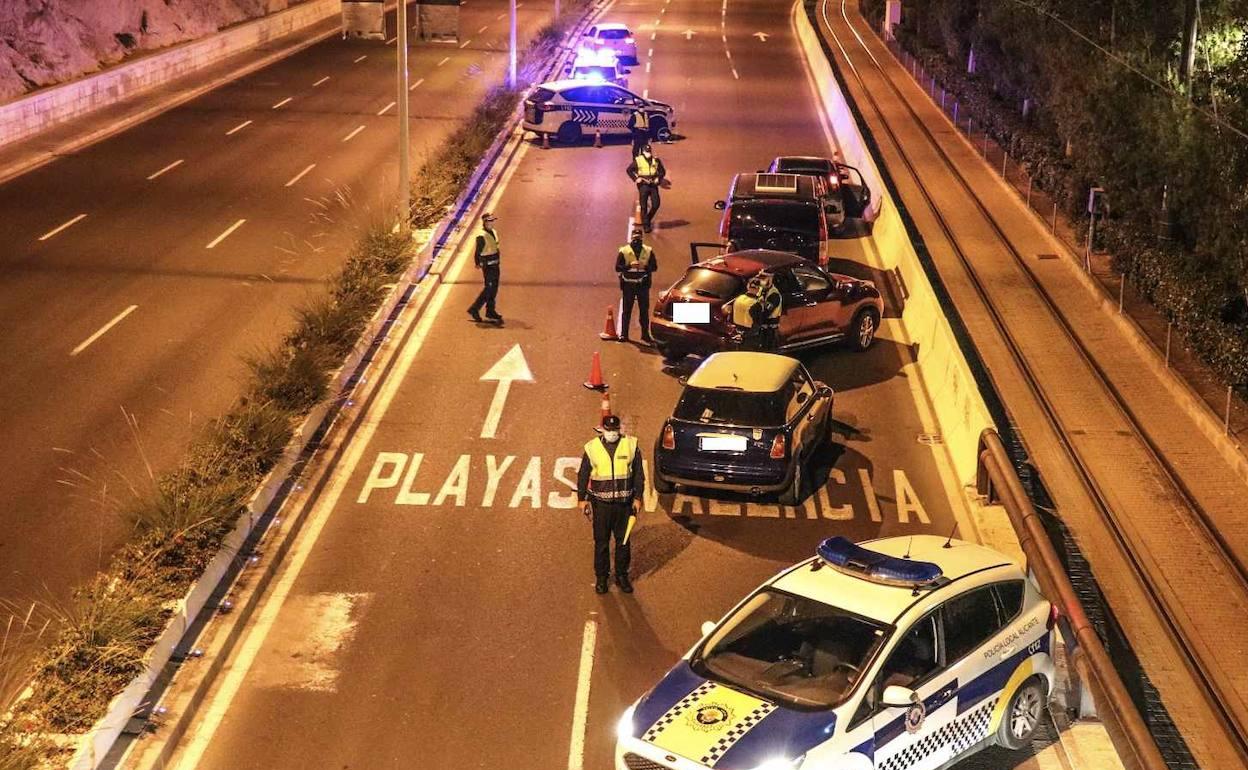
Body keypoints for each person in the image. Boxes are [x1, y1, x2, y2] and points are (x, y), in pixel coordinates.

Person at [576, 415, 644, 594]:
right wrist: (582, 499)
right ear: (602, 429)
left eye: (615, 430)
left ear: (619, 429)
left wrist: (638, 497)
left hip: (624, 504)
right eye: (609, 430)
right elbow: (583, 474)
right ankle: (602, 578)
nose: (612, 433)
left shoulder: (631, 445)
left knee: (623, 542)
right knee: (601, 543)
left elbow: (638, 474)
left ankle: (622, 576)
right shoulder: (592, 448)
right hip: (601, 505)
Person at [615, 228, 657, 343]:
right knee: (627, 310)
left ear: (642, 239)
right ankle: (624, 334)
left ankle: (645, 334)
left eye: (638, 239)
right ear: (631, 239)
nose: (636, 241)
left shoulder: (648, 251)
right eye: (635, 239)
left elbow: (654, 267)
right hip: (628, 285)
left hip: (643, 285)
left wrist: (645, 267)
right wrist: (629, 266)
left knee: (644, 311)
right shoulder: (624, 251)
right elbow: (617, 267)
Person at [467, 212, 503, 324]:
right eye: (490, 221)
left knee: (494, 289)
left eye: (493, 220)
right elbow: (478, 251)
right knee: (489, 288)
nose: (492, 223)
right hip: (488, 266)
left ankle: (490, 311)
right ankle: (475, 309)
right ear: (485, 222)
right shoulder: (481, 236)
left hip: (495, 264)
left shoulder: (494, 232)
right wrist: (477, 262)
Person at [626, 144, 667, 233]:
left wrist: (658, 178)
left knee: (656, 204)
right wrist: (636, 178)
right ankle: (646, 226)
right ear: (643, 152)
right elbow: (629, 170)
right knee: (643, 206)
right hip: (643, 185)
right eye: (646, 152)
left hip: (653, 185)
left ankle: (647, 219)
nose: (648, 153)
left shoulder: (656, 160)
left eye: (649, 151)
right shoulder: (638, 160)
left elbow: (662, 171)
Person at [729, 277, 766, 351]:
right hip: (750, 338)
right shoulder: (756, 304)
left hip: (737, 334)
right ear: (759, 289)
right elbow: (757, 325)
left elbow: (730, 318)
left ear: (748, 286)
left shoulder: (738, 299)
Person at [755, 273, 783, 351]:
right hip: (763, 327)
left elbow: (767, 312)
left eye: (763, 279)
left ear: (770, 280)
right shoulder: (762, 290)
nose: (760, 281)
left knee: (769, 349)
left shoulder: (774, 294)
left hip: (770, 329)